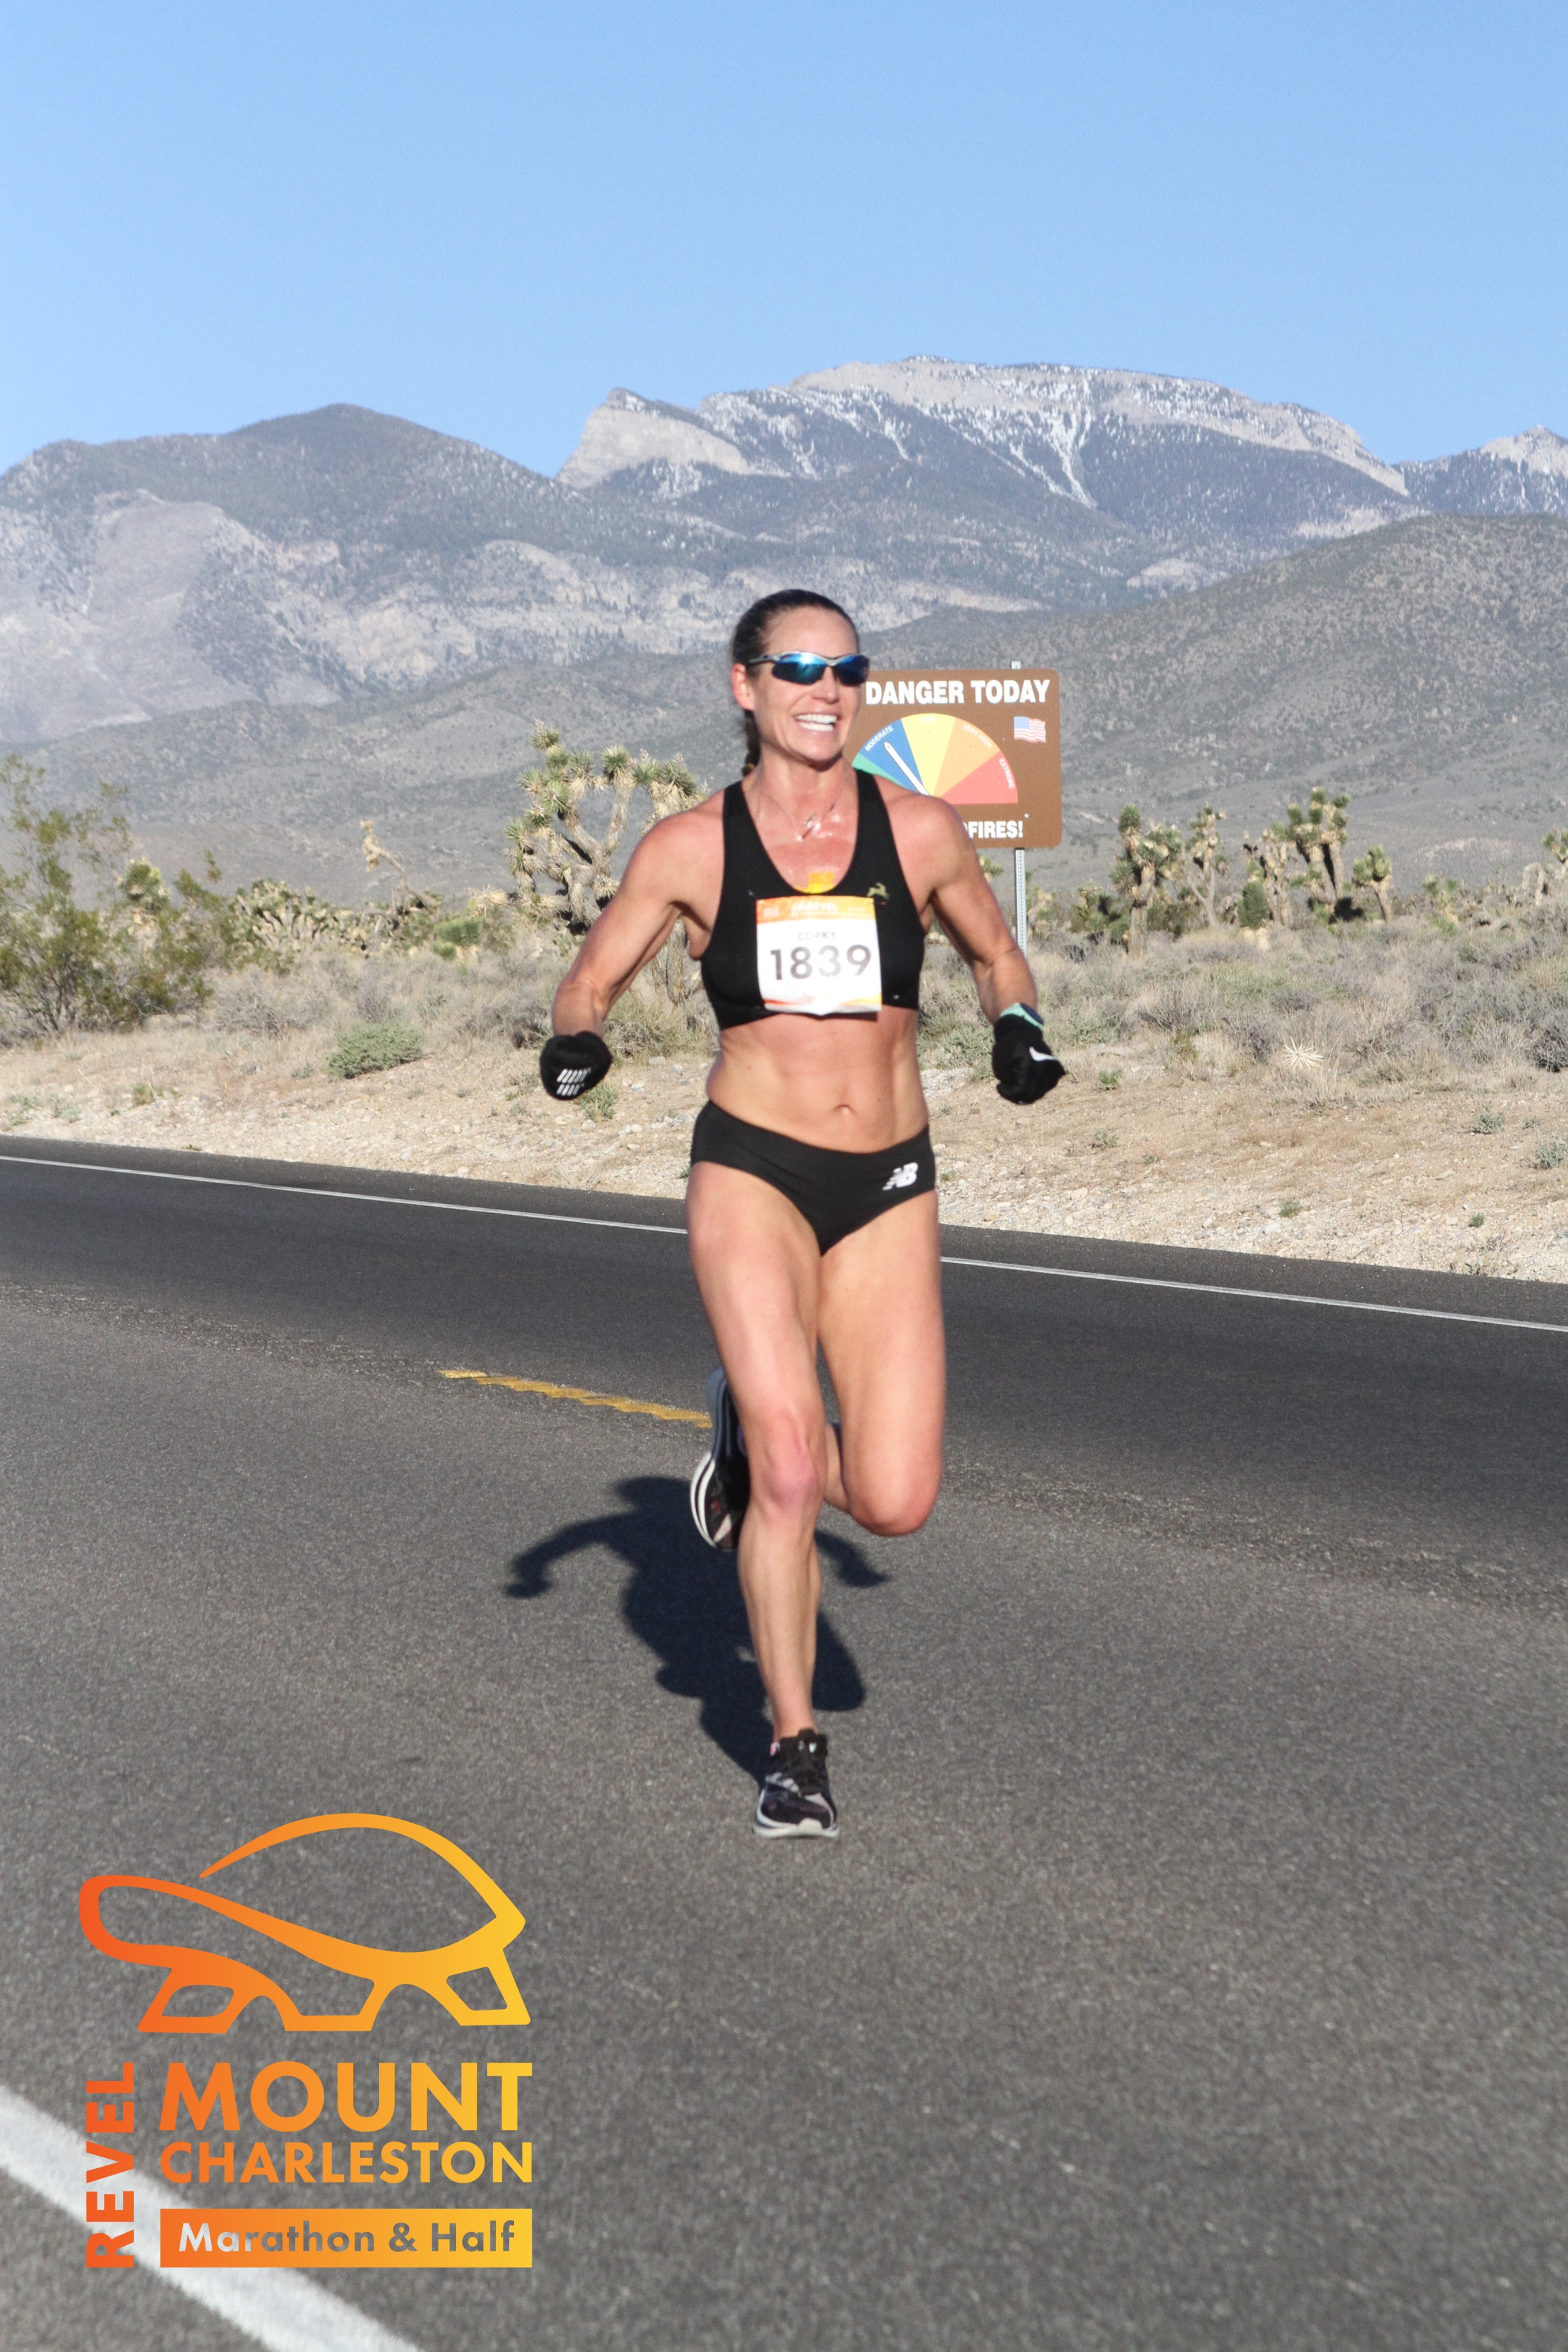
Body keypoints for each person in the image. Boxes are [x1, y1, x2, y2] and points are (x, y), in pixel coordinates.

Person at [538, 589, 1062, 1837]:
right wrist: (578, 1041)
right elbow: (589, 978)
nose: (827, 690)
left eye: (847, 669)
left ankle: (740, 1434)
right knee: (789, 1468)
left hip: (886, 1180)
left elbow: (996, 953)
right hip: (753, 1168)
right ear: (745, 685)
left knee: (893, 1497)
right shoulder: (690, 848)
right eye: (799, 668)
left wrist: (1017, 1024)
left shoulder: (919, 830)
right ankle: (795, 1748)